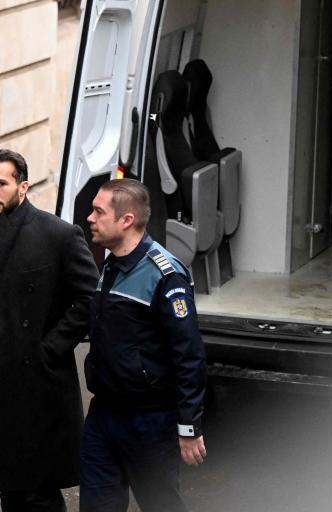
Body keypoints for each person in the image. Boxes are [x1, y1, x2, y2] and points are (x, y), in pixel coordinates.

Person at [0, 149, 98, 512]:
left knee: (38, 490)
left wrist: (51, 347)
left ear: (23, 186)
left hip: (36, 382)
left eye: (1, 183)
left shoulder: (58, 234)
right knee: (10, 485)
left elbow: (90, 298)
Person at [79, 179, 208, 512]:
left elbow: (188, 355)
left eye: (98, 211)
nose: (89, 218)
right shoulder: (109, 265)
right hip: (104, 414)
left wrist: (189, 426)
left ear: (126, 220)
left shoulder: (165, 275)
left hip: (150, 420)